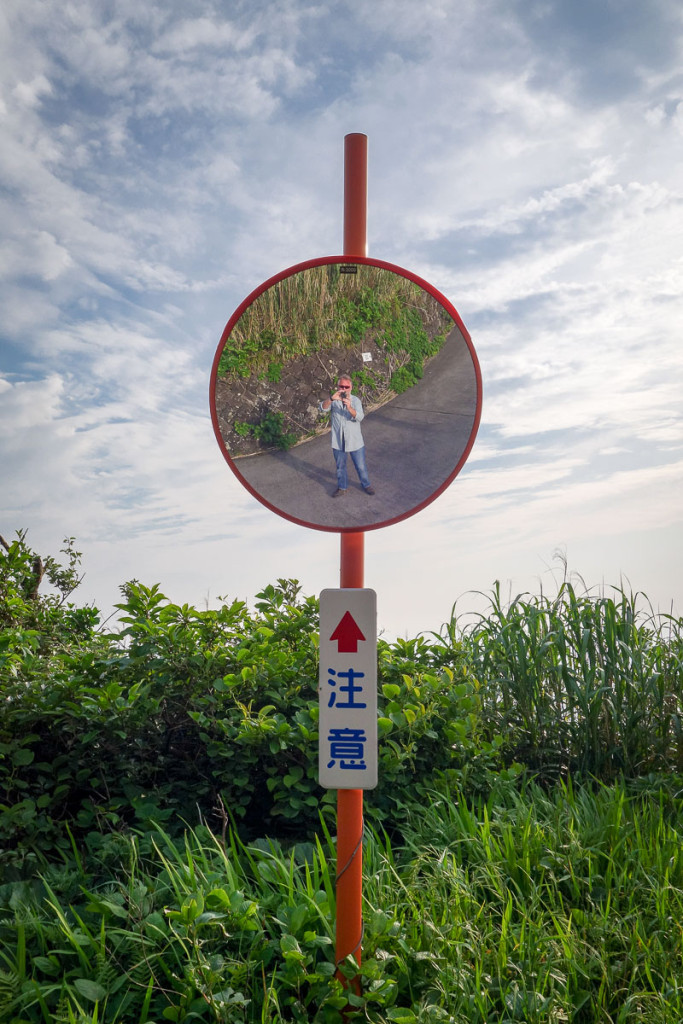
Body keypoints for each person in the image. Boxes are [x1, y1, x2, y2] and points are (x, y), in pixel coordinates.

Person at [318, 374, 375, 496]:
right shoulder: (333, 400)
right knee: (340, 467)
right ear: (337, 386)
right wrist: (331, 399)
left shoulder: (356, 400)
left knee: (360, 466)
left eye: (346, 387)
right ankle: (342, 487)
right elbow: (322, 409)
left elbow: (360, 417)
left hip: (355, 441)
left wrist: (349, 407)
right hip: (338, 441)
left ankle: (366, 485)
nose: (343, 389)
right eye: (341, 386)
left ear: (351, 387)